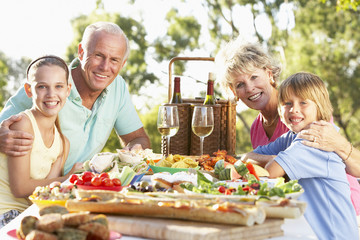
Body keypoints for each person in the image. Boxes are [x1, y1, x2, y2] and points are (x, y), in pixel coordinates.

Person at [215, 40, 360, 215]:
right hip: (295, 208)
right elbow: (257, 165)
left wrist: (275, 160)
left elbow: (270, 170)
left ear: (269, 74)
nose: (250, 88)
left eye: (254, 77)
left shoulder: (306, 118)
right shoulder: (257, 127)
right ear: (233, 91)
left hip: (337, 209)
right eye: (240, 84)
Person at [0, 22, 151, 175]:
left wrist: (135, 150)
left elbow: (139, 139)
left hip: (75, 190)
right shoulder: (48, 82)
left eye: (114, 60)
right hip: (28, 192)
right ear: (81, 52)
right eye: (98, 55)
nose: (105, 67)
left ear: (123, 64)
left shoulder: (118, 87)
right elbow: (2, 128)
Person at [247, 72, 358, 239]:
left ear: (319, 106)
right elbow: (250, 156)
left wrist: (274, 161)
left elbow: (270, 172)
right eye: (287, 103)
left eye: (303, 102)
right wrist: (274, 158)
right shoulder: (292, 136)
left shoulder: (313, 141)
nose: (294, 110)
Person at [0, 55, 83, 228]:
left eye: (58, 86)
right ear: (29, 90)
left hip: (29, 215)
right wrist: (68, 178)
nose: (51, 94)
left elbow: (46, 193)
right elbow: (20, 188)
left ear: (68, 90)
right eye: (42, 87)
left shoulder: (63, 143)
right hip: (5, 215)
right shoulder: (23, 124)